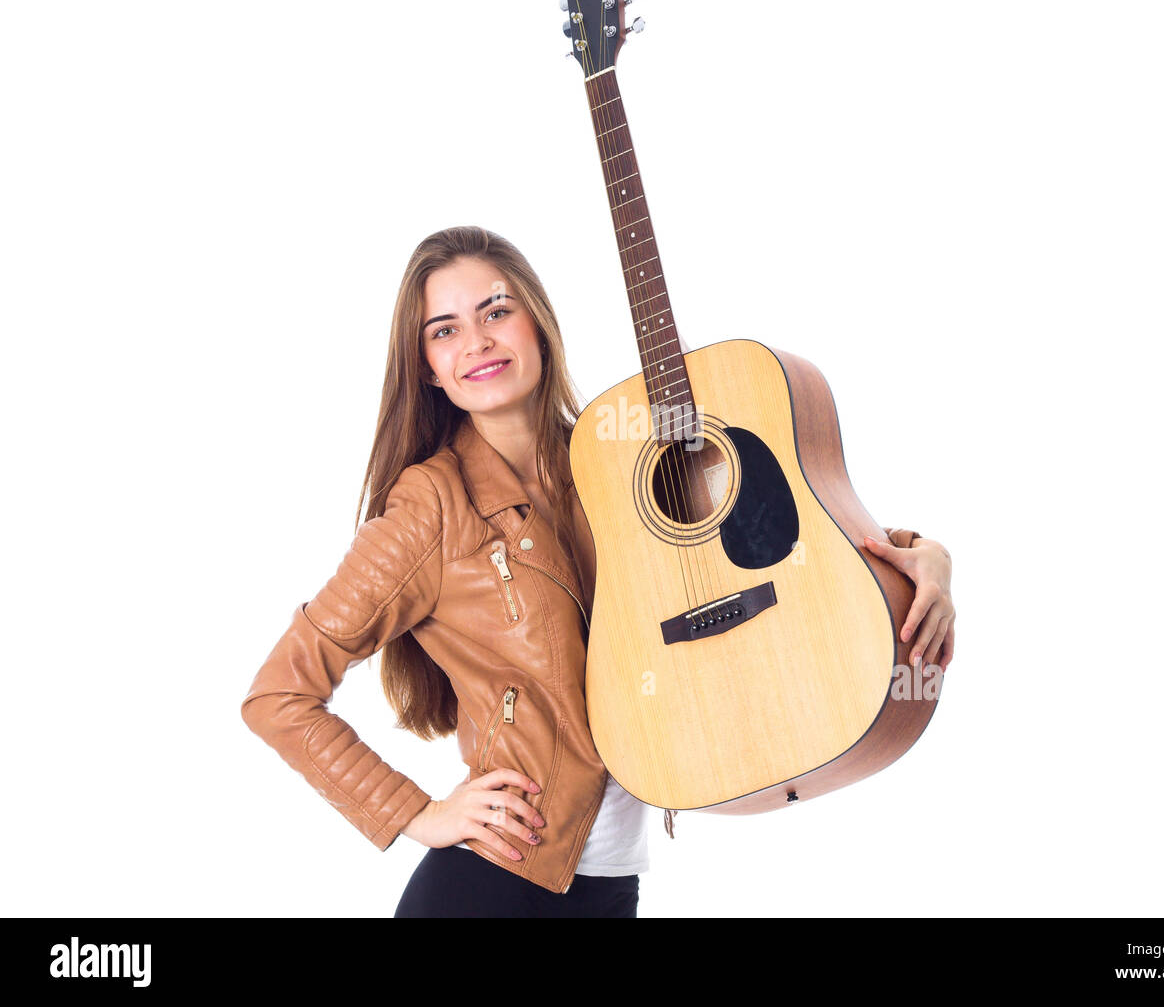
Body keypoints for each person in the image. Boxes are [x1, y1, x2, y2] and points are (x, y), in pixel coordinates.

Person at [240, 225, 957, 918]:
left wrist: (914, 553)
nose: (478, 341)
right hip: (491, 884)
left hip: (611, 887)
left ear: (539, 324)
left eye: (496, 311)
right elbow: (278, 694)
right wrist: (417, 812)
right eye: (445, 329)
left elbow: (772, 534)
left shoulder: (614, 458)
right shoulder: (431, 507)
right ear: (427, 366)